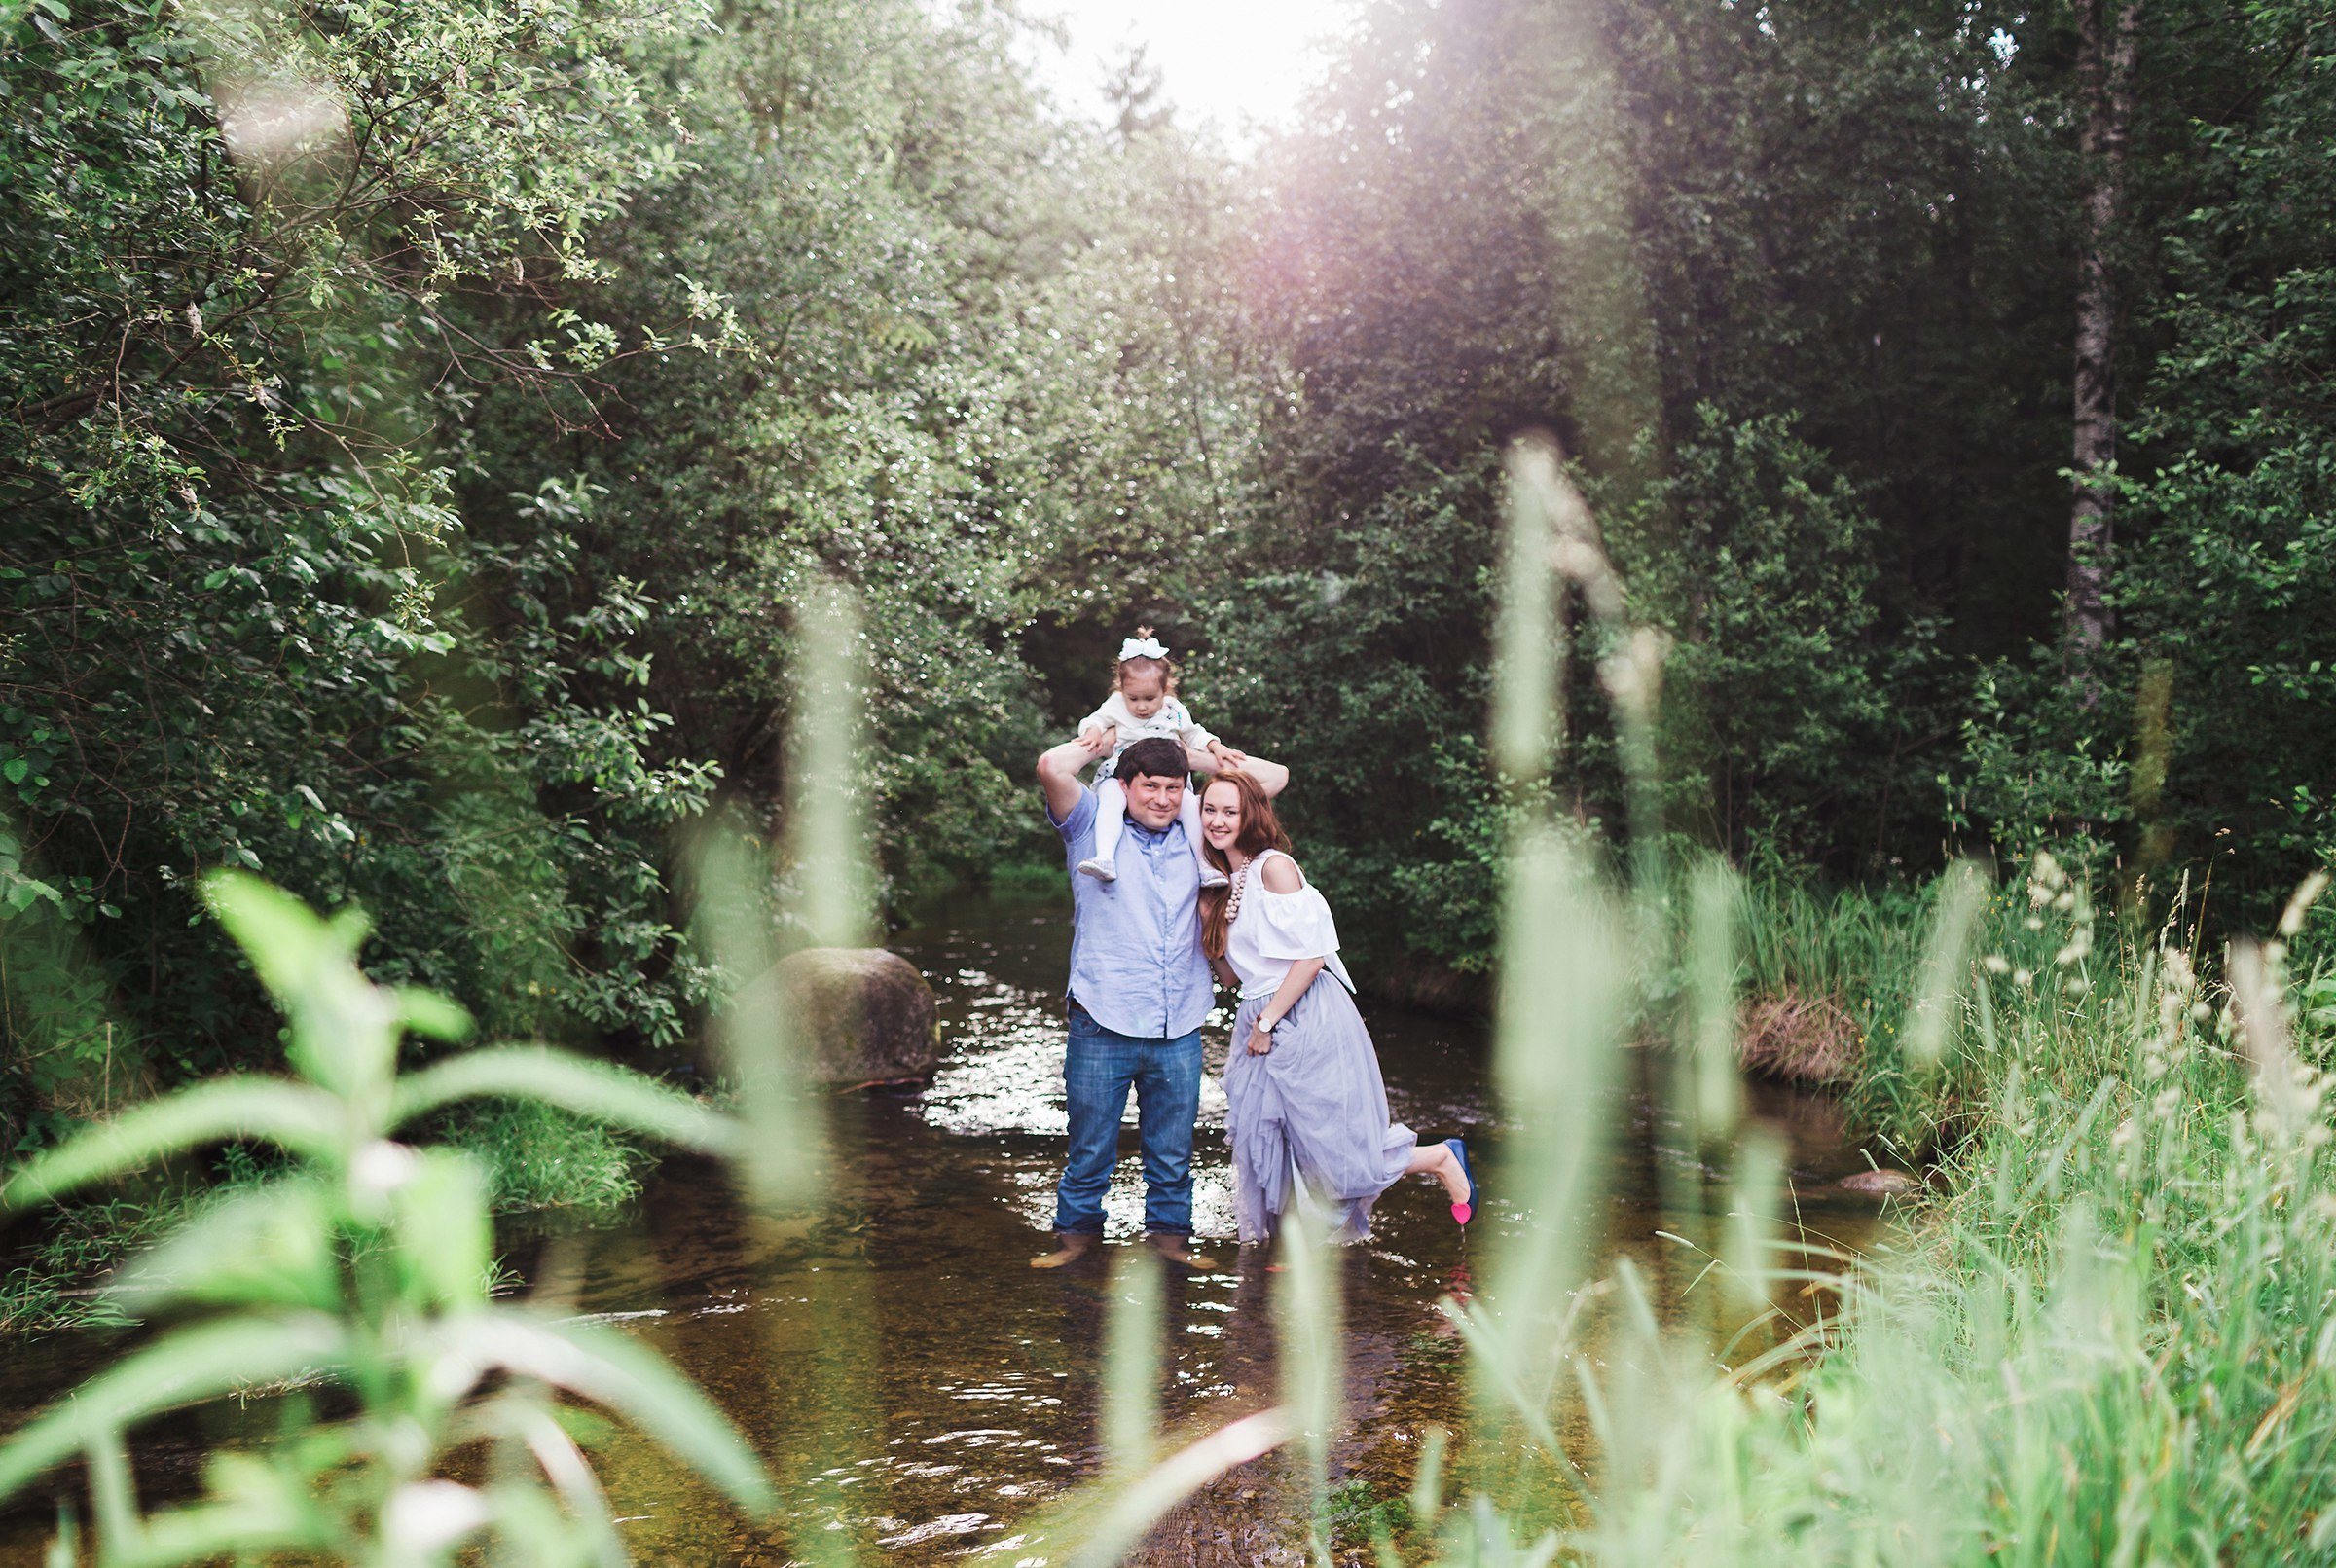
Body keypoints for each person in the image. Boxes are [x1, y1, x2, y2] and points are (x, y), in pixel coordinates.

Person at [1031, 734, 1289, 1270]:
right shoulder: (1090, 825)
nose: (1163, 799)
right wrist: (1109, 739)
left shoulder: (1201, 832)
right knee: (1089, 1149)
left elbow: (1274, 776)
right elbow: (1053, 766)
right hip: (1101, 1017)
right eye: (1150, 786)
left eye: (1174, 788)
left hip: (1180, 1023)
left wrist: (1188, 753)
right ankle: (1075, 1244)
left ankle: (1172, 1244)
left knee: (1172, 1153)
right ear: (1124, 786)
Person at [1197, 771, 1478, 1246]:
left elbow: (1312, 957)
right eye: (1209, 810)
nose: (1218, 821)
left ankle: (1439, 1157)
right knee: (1273, 1143)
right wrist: (1209, 924)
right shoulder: (1224, 884)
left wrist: (1268, 1021)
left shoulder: (1273, 868)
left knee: (1334, 1148)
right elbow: (1231, 978)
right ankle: (1293, 1246)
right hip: (1257, 1014)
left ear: (1251, 815)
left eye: (1230, 811)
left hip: (1303, 1012)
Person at [1071, 629, 1249, 889]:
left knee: (1191, 807)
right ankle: (1105, 857)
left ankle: (1205, 866)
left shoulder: (1173, 709)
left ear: (1165, 690)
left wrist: (1215, 746)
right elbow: (1094, 720)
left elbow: (1193, 733)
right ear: (1122, 689)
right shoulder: (1116, 704)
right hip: (1122, 772)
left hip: (1168, 773)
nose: (1141, 706)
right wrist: (1094, 731)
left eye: (1150, 698)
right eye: (1133, 698)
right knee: (1109, 799)